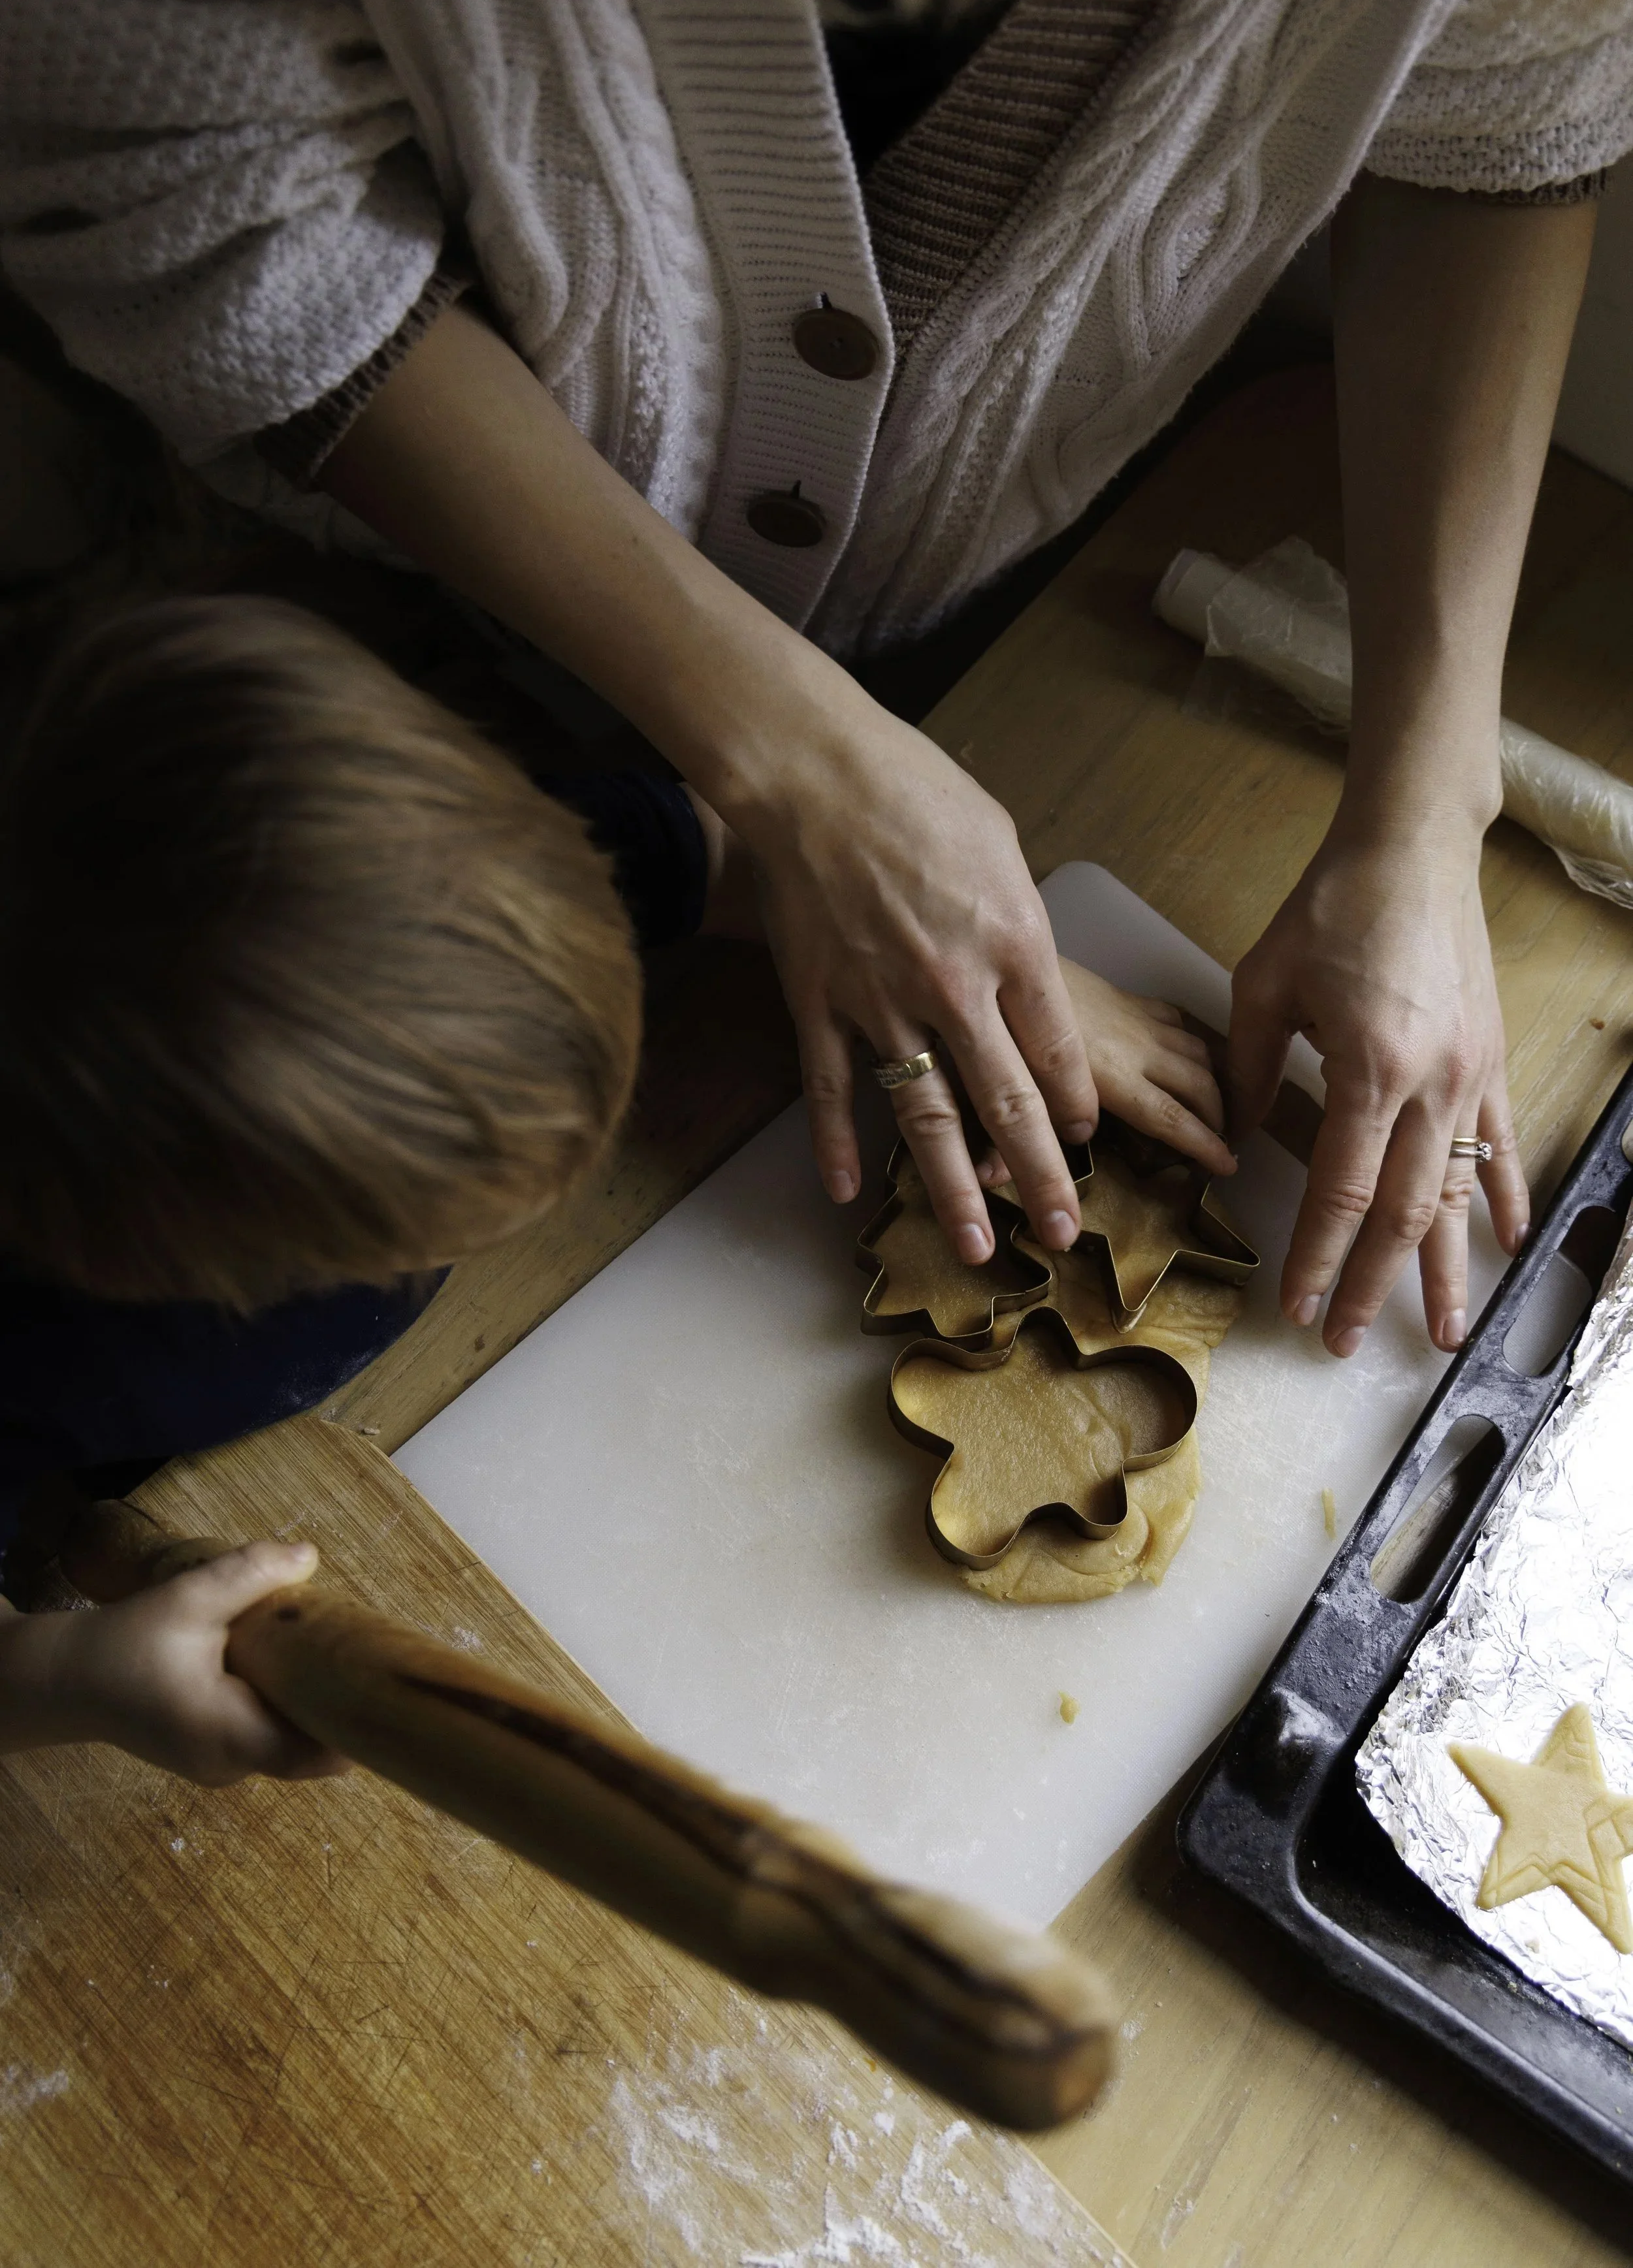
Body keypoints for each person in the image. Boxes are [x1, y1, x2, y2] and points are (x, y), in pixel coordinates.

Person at [1, 0, 1628, 1361]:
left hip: (973, 652)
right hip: (367, 644)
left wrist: (1427, 803)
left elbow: (1501, 112)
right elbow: (215, 209)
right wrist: (788, 759)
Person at [0, 589, 1227, 1780]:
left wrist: (998, 982)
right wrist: (69, 1679)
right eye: (426, 1229)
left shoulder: (428, 894)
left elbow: (723, 852)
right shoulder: (49, 1340)